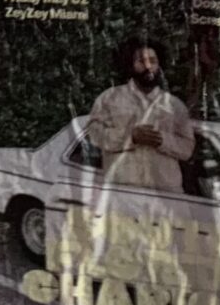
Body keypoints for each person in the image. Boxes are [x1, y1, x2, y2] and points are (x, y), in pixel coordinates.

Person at [85, 38, 198, 194]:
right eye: (141, 61)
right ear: (130, 64)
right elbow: (94, 135)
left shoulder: (174, 105)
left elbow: (187, 148)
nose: (148, 66)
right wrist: (130, 137)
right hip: (122, 192)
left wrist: (162, 140)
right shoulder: (109, 98)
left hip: (166, 196)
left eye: (153, 61)